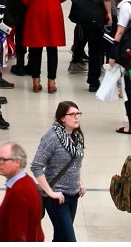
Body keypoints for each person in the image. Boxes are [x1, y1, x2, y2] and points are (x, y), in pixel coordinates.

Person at [31, 101, 86, 241]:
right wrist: (50, 192)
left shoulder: (77, 136)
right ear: (62, 118)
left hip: (73, 194)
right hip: (57, 198)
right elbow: (36, 166)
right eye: (72, 114)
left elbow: (77, 162)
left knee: (61, 238)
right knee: (69, 240)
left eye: (78, 113)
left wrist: (79, 182)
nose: (77, 117)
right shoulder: (52, 137)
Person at [20, 0, 69, 94]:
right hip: (53, 13)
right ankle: (51, 83)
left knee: (35, 48)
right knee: (52, 48)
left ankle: (36, 81)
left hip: (35, 12)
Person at [0, 141, 45, 242]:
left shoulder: (19, 192)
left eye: (3, 160)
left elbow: (18, 235)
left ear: (17, 162)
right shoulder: (25, 181)